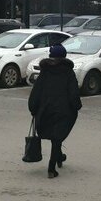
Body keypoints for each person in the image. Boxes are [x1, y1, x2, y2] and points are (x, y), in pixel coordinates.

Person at [28, 43, 82, 179]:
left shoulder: (45, 72)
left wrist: (33, 108)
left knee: (55, 137)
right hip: (64, 110)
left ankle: (59, 157)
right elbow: (73, 92)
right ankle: (51, 168)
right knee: (57, 137)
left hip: (45, 110)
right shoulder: (68, 72)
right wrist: (76, 106)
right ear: (64, 56)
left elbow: (36, 91)